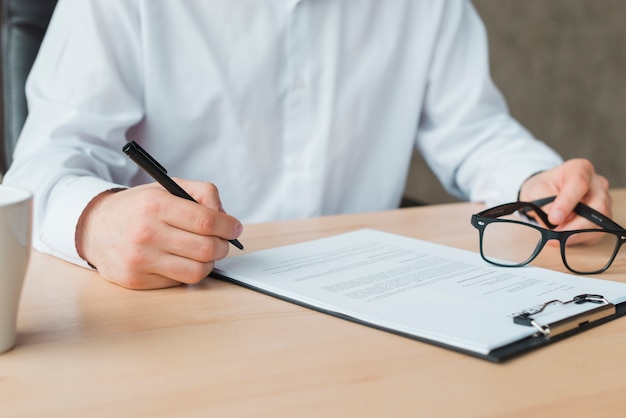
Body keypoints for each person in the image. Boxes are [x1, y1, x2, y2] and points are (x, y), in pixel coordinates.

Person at [3, 0, 610, 290]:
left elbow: (474, 131)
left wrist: (536, 184)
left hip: (371, 307)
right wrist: (96, 221)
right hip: (181, 306)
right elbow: (43, 166)